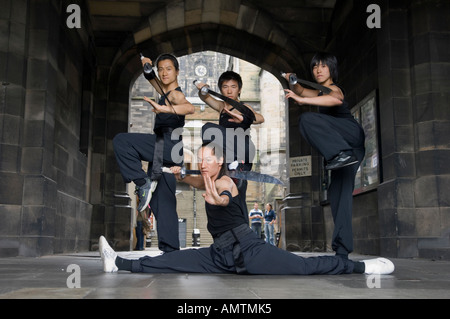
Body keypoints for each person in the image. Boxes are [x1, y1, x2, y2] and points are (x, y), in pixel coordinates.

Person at [99, 142, 394, 276]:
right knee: (173, 261)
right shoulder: (206, 179)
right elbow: (192, 179)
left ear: (220, 162)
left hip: (250, 250)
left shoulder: (226, 181)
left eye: (207, 159)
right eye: (200, 159)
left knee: (303, 267)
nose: (202, 164)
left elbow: (224, 195)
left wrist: (221, 199)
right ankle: (119, 263)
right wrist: (176, 173)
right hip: (219, 254)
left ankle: (359, 266)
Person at [284, 52, 366, 260]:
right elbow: (301, 89)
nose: (318, 70)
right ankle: (342, 250)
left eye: (323, 66)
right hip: (349, 150)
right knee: (339, 196)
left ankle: (339, 153)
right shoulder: (319, 91)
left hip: (350, 137)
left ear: (332, 69)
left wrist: (301, 99)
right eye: (315, 67)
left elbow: (336, 98)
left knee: (307, 120)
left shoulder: (333, 89)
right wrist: (293, 83)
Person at [112, 53, 195, 253]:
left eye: (169, 68)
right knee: (162, 203)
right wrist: (147, 67)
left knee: (122, 142)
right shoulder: (165, 90)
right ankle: (170, 250)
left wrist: (164, 109)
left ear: (177, 71)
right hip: (164, 150)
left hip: (167, 145)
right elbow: (155, 81)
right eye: (161, 69)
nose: (164, 73)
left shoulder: (175, 94)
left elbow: (189, 108)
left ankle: (142, 183)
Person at [194, 71, 264, 221]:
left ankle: (230, 163)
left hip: (243, 148)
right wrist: (203, 89)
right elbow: (205, 97)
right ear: (220, 90)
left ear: (239, 89)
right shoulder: (221, 106)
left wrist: (245, 118)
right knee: (238, 193)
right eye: (225, 87)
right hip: (234, 158)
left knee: (208, 129)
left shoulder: (242, 107)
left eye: (233, 86)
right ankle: (243, 230)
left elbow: (260, 118)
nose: (230, 90)